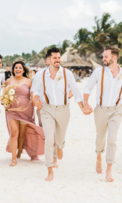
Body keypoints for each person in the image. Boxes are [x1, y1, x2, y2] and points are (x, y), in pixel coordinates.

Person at [83, 45, 122, 182]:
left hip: (116, 110)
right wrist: (85, 102)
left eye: (105, 56)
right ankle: (98, 156)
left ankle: (109, 170)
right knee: (100, 137)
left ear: (114, 57)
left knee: (112, 139)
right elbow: (88, 87)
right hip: (100, 110)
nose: (103, 59)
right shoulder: (98, 72)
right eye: (103, 56)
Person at [33, 47, 85, 181]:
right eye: (55, 58)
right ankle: (49, 170)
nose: (58, 60)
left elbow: (76, 90)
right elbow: (35, 90)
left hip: (63, 109)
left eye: (58, 58)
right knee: (49, 139)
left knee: (59, 138)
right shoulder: (40, 75)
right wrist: (35, 101)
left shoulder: (67, 73)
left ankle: (60, 146)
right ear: (48, 60)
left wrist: (82, 107)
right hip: (47, 109)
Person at [5, 61, 45, 166]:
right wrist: (5, 104)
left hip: (25, 110)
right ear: (13, 70)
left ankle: (19, 152)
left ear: (23, 70)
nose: (18, 69)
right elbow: (4, 96)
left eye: (20, 68)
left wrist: (37, 102)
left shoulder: (28, 81)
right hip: (12, 111)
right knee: (14, 132)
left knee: (22, 134)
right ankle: (14, 159)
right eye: (16, 67)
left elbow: (33, 96)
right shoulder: (8, 81)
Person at [30, 53, 50, 127]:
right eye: (49, 60)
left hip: (58, 107)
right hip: (42, 107)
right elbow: (33, 91)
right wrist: (35, 102)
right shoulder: (39, 74)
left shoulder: (62, 74)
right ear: (46, 61)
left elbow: (71, 90)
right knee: (43, 130)